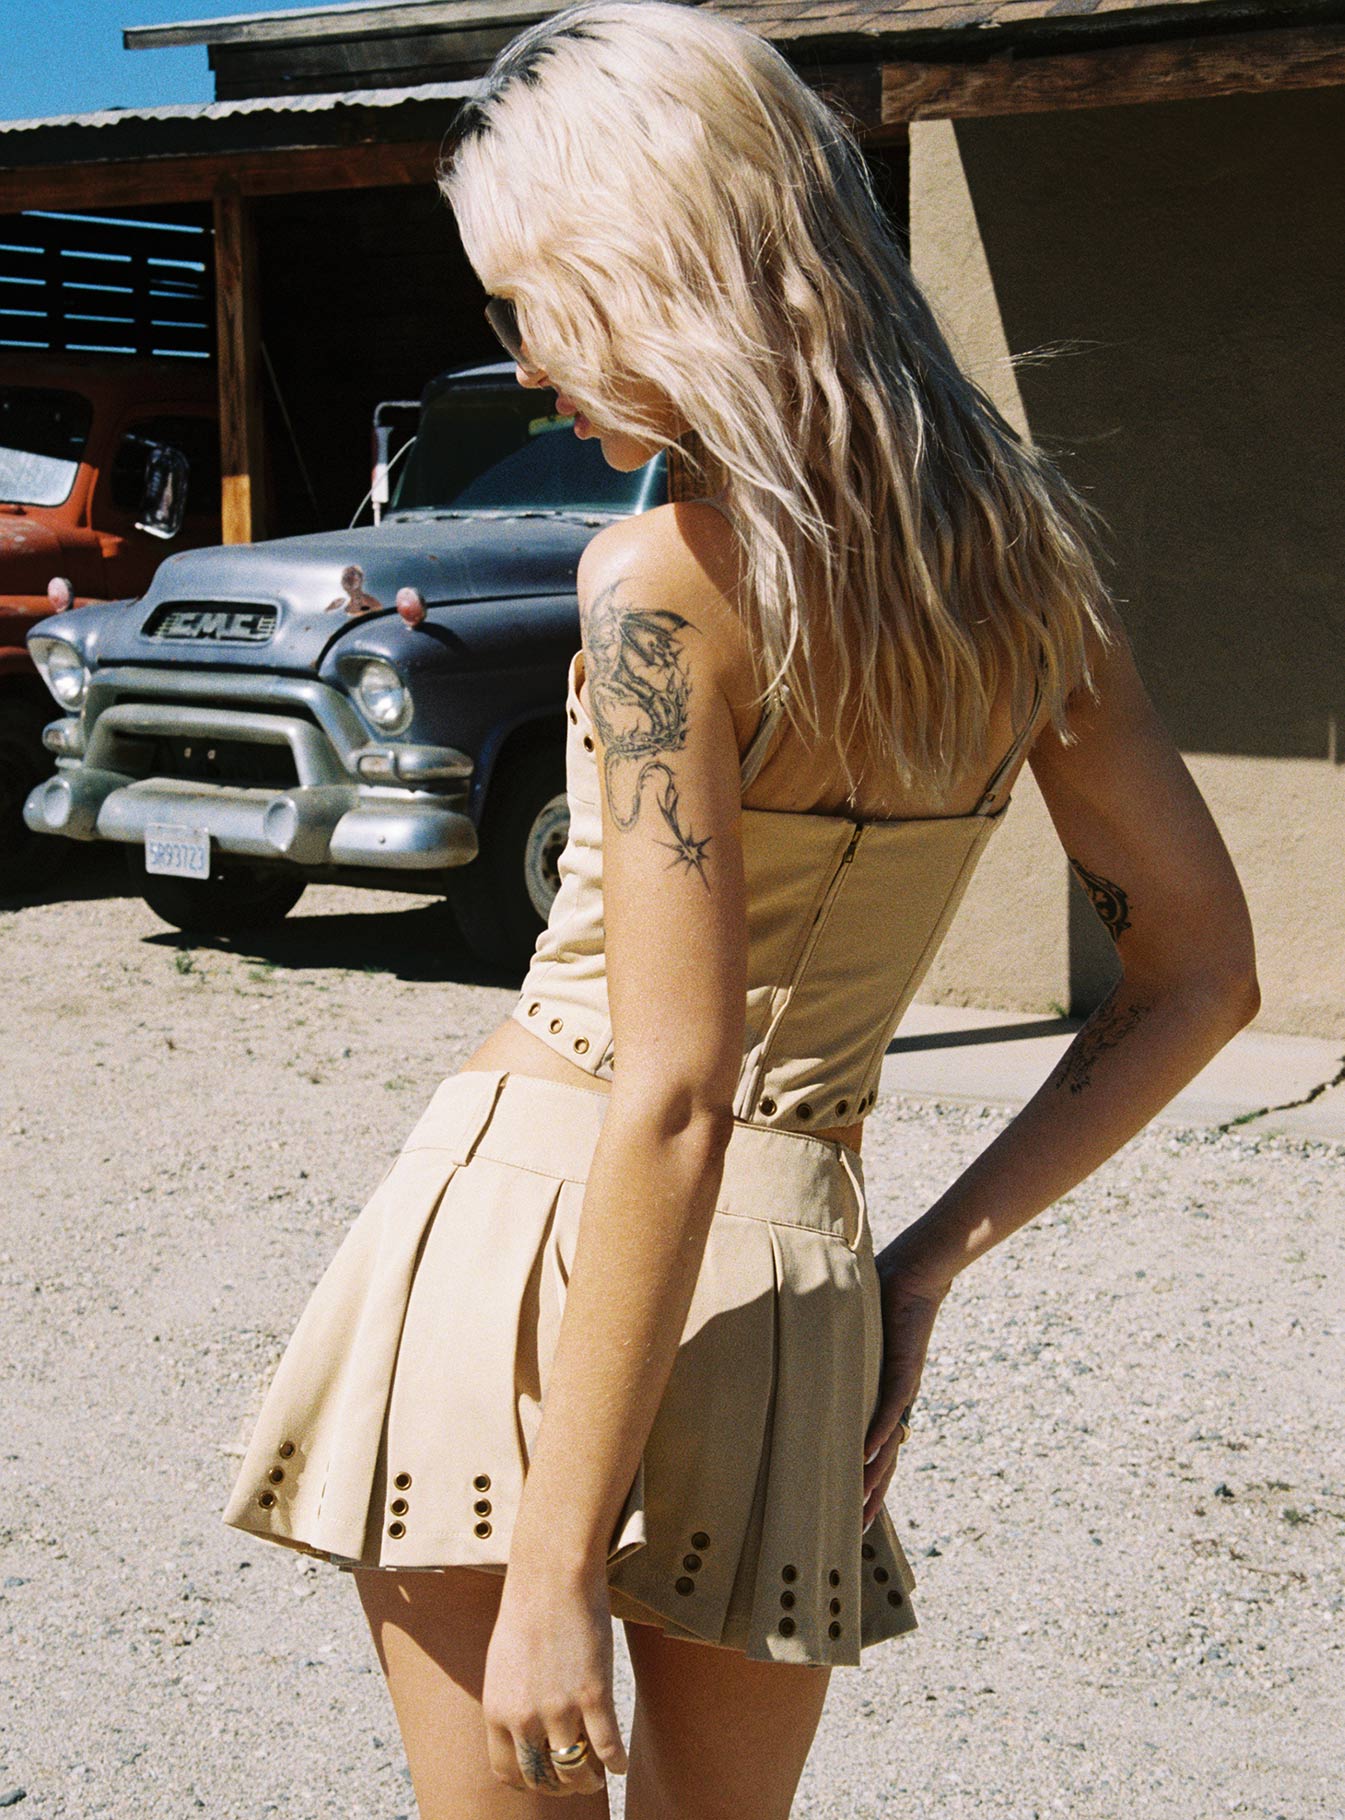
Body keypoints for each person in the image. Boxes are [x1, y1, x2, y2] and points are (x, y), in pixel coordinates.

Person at [222, 3, 1260, 1813]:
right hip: (800, 1274)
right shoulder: (1027, 589)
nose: (533, 364)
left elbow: (673, 1085)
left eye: (530, 297)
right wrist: (920, 1266)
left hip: (540, 1231)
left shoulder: (658, 583)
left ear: (650, 267)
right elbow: (1203, 977)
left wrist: (552, 1575)